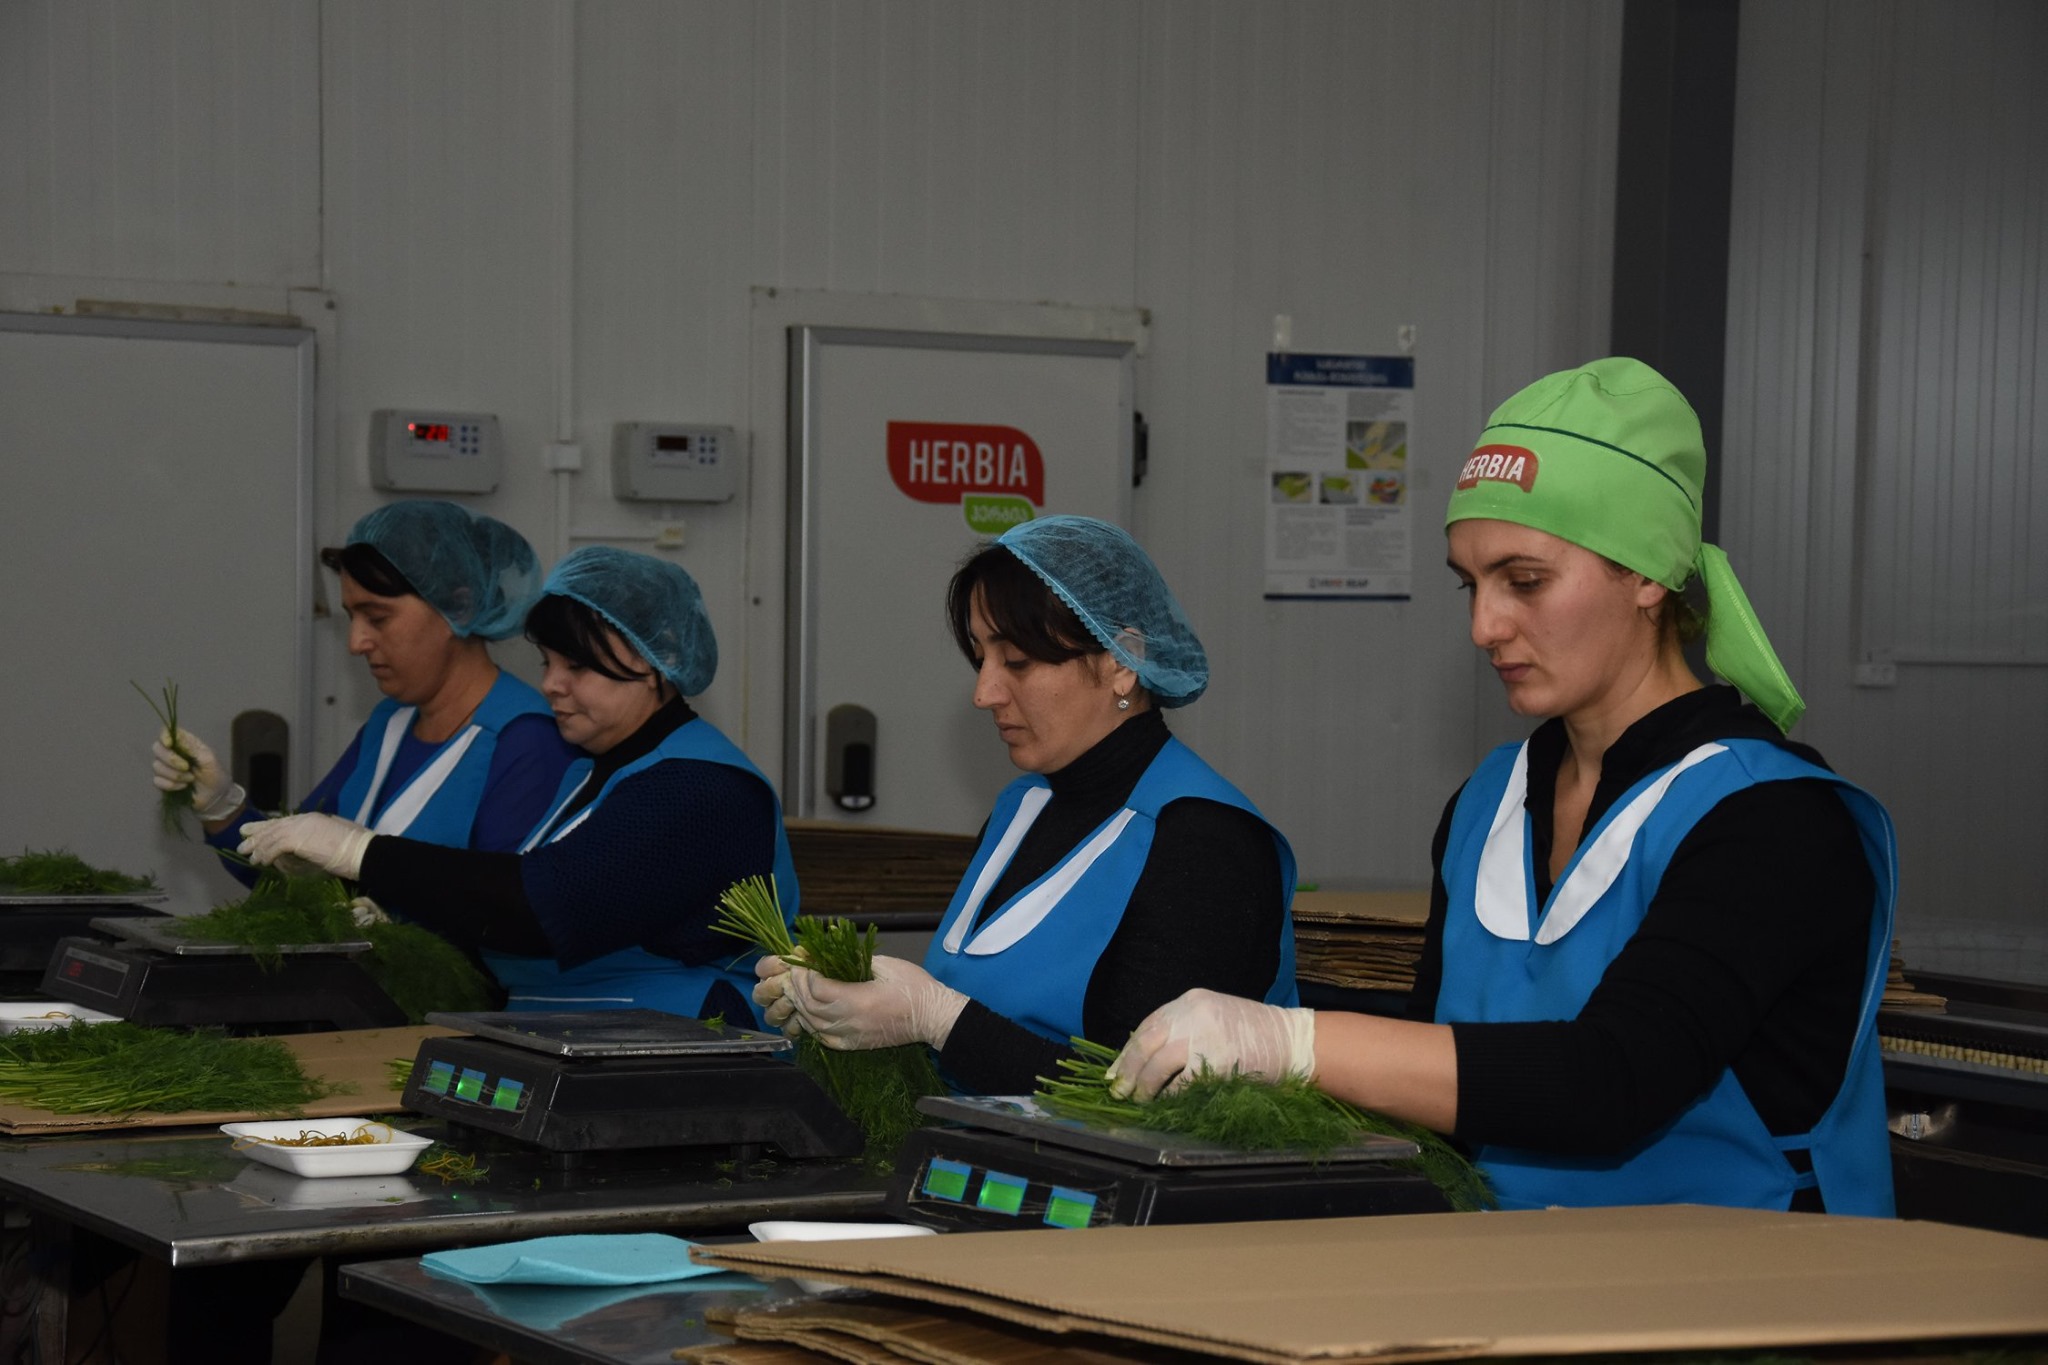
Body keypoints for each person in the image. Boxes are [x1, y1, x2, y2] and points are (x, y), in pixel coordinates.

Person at [1105, 358, 1899, 1217]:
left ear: (1647, 574)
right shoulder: (1492, 800)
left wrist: (1291, 1042)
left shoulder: (1770, 817)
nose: (1485, 625)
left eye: (1524, 581)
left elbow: (1616, 1078)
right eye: (1470, 584)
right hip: (1510, 1268)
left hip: (1744, 1280)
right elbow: (1438, 1083)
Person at [755, 515, 1300, 1095]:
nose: (984, 693)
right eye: (980, 658)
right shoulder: (1023, 806)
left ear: (1120, 661)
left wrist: (938, 1021)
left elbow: (1139, 1100)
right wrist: (855, 1000)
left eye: (1016, 661)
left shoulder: (1206, 841)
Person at [235, 545, 797, 1023]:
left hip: (683, 1053)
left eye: (576, 666)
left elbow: (545, 906)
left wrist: (362, 852)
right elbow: (505, 906)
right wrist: (407, 921)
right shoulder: (590, 772)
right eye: (547, 663)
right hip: (571, 1035)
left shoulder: (704, 787)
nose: (550, 684)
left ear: (656, 661)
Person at [150, 499, 579, 878]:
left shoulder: (527, 742)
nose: (356, 643)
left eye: (378, 618)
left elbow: (507, 911)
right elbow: (292, 876)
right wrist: (223, 809)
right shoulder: (390, 723)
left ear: (460, 607)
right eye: (351, 617)